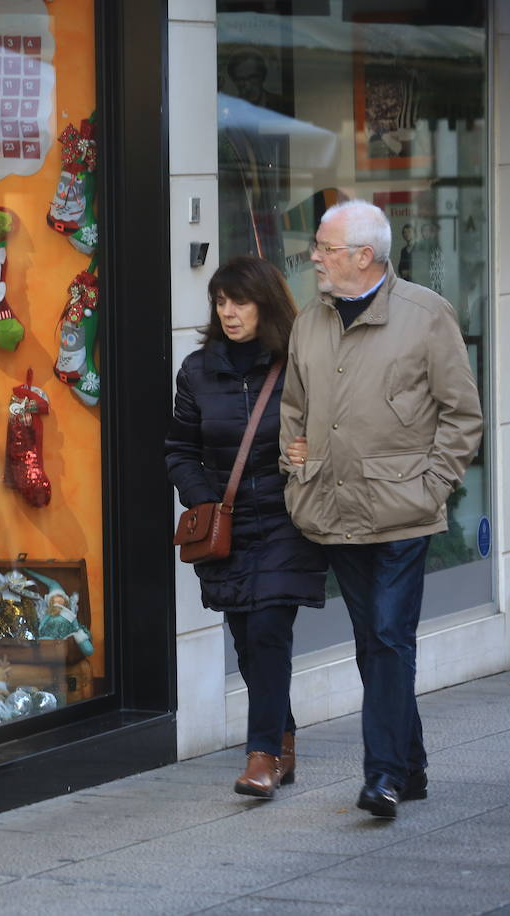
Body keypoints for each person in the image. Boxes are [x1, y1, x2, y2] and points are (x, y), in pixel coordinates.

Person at [281, 200, 482, 819]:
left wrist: (433, 485)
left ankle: (383, 776)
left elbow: (462, 415)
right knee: (375, 642)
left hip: (402, 514)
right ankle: (412, 766)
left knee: (391, 638)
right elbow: (294, 405)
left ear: (363, 257)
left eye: (325, 247)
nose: (314, 256)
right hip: (332, 509)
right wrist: (296, 463)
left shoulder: (426, 316)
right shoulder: (309, 320)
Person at [166, 256, 327, 799]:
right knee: (246, 637)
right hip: (227, 526)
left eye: (241, 302)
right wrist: (206, 502)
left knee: (266, 630)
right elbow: (180, 450)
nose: (229, 313)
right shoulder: (196, 371)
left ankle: (261, 756)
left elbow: (333, 428)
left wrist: (310, 454)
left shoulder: (298, 362)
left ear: (266, 304)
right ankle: (283, 738)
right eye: (221, 302)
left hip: (287, 518)